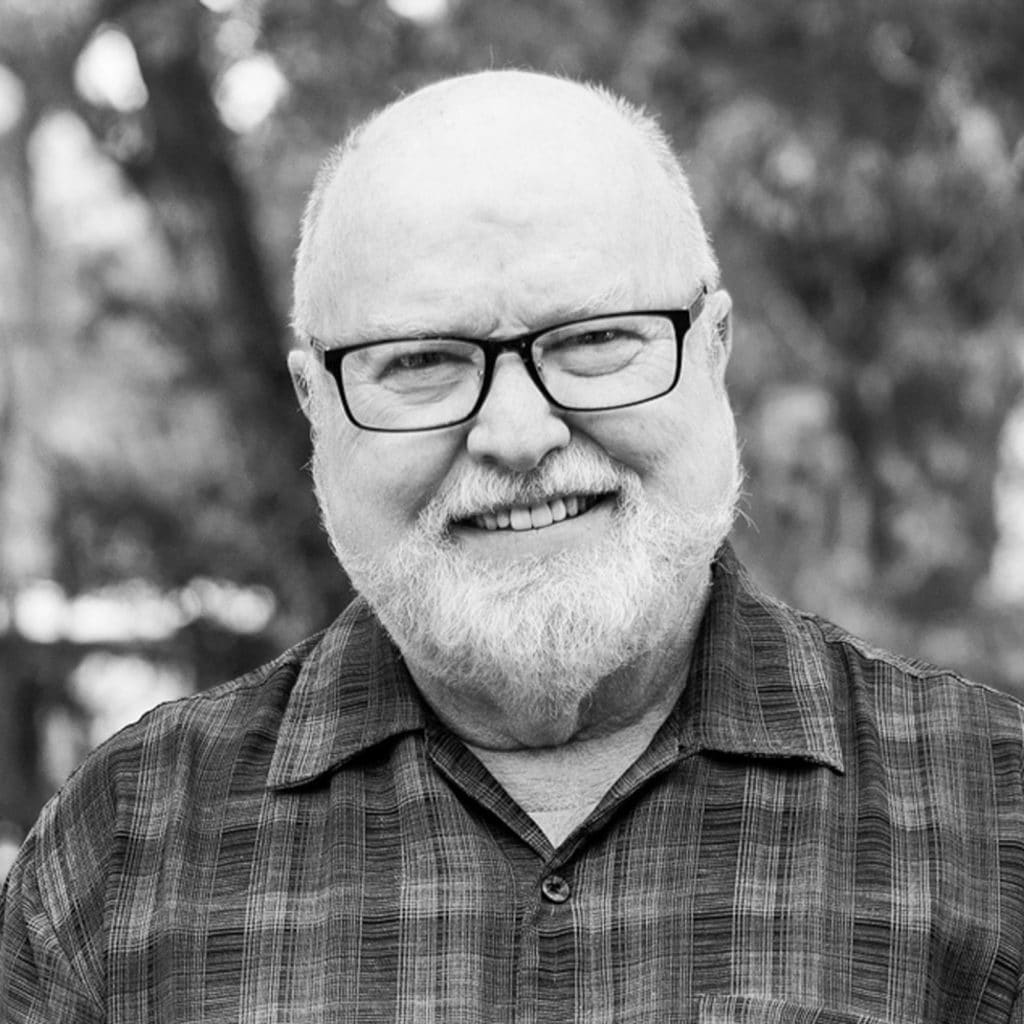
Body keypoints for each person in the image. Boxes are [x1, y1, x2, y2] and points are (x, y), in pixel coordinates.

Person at [1, 69, 1022, 1024]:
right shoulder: (122, 851)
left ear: (711, 352)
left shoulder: (991, 821)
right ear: (317, 406)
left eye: (593, 340)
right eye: (422, 362)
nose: (520, 434)